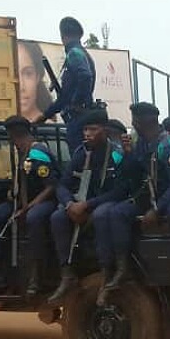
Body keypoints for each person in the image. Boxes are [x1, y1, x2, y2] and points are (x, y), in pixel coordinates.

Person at [94, 102, 170, 298]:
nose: (133, 125)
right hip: (148, 195)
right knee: (117, 213)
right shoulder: (141, 144)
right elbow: (133, 174)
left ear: (142, 122)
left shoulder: (167, 146)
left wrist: (157, 210)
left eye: (135, 121)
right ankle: (123, 268)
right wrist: (128, 154)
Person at [0, 115, 60, 297]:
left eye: (11, 137)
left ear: (15, 135)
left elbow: (51, 187)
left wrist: (26, 209)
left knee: (34, 218)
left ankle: (37, 274)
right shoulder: (23, 152)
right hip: (21, 201)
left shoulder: (37, 153)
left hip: (44, 201)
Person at [46, 108, 124, 305]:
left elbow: (121, 190)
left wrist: (88, 205)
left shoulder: (115, 154)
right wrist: (69, 204)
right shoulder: (82, 153)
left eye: (93, 129)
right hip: (79, 204)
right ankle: (67, 274)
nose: (87, 134)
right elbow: (63, 184)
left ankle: (107, 272)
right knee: (57, 217)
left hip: (104, 203)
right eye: (85, 130)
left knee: (101, 215)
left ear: (105, 130)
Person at [34, 17, 96, 154]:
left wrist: (76, 103)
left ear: (62, 36)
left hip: (79, 119)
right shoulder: (82, 54)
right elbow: (64, 97)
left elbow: (85, 76)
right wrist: (45, 115)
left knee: (78, 158)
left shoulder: (74, 53)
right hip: (79, 117)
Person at [17, 41, 54, 123]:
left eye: (28, 74)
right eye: (14, 75)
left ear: (37, 76)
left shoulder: (49, 127)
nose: (21, 87)